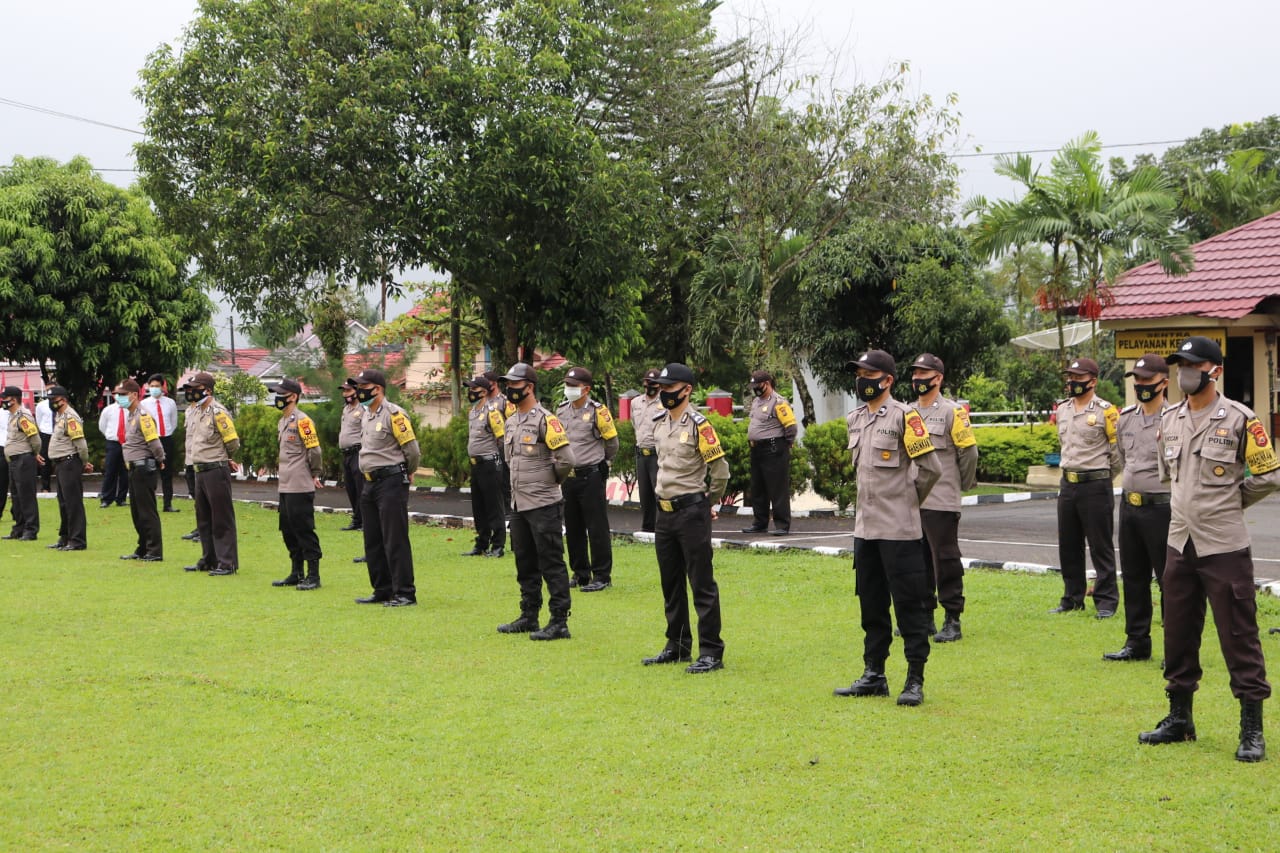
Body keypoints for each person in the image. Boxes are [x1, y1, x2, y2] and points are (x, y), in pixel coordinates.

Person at [1139, 336, 1280, 762]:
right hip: (1179, 542)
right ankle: (1180, 717)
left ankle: (1251, 728)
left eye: (1192, 365)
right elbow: (1170, 477)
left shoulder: (1240, 418)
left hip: (1223, 544)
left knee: (1238, 635)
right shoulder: (1170, 419)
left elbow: (1269, 475)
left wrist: (1230, 502)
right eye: (1180, 365)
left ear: (1213, 371)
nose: (1184, 372)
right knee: (1178, 630)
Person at [835, 350, 941, 706]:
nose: (861, 380)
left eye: (869, 374)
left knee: (909, 607)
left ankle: (914, 679)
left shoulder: (904, 417)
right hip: (866, 532)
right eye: (858, 374)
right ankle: (874, 674)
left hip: (899, 531)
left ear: (887, 380)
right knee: (872, 606)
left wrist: (909, 501)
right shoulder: (854, 419)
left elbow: (931, 469)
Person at [642, 362, 730, 673]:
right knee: (671, 582)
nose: (664, 393)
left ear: (686, 390)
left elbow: (720, 471)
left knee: (701, 582)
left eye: (670, 388)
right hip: (664, 513)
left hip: (692, 511)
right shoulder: (659, 422)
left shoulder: (699, 425)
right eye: (662, 388)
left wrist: (710, 502)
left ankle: (710, 651)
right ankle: (677, 644)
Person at [495, 362, 575, 640]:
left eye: (515, 385)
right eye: (508, 384)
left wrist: (549, 481)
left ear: (529, 387)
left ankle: (558, 621)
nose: (509, 389)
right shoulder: (511, 420)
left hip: (543, 504)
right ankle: (529, 615)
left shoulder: (545, 420)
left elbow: (566, 460)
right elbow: (510, 460)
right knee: (524, 561)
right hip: (519, 504)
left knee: (551, 562)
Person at [1104, 354, 1171, 662]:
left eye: (1148, 381)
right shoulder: (1126, 417)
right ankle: (1137, 642)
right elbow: (1120, 456)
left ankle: (1176, 642)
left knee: (1170, 578)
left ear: (1164, 383)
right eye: (1138, 380)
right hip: (1130, 507)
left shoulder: (1175, 418)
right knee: (1133, 576)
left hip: (1163, 509)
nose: (1142, 386)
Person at [909, 354, 978, 643]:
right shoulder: (908, 411)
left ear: (938, 378)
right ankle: (924, 617)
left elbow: (969, 453)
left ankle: (952, 619)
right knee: (917, 560)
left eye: (924, 373)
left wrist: (959, 485)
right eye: (915, 373)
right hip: (912, 498)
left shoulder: (953, 412)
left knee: (945, 559)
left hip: (940, 498)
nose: (917, 379)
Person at [1051, 357, 1121, 616]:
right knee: (1068, 545)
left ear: (1093, 381)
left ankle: (1106, 602)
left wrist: (1102, 477)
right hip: (1068, 483)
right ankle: (1072, 598)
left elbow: (1118, 452)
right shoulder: (1063, 409)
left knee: (1100, 545)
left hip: (1095, 484)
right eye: (1070, 377)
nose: (1072, 382)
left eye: (1078, 378)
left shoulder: (1106, 411)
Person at [352, 369, 420, 607]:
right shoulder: (366, 415)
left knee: (395, 538)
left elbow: (412, 451)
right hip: (369, 483)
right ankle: (382, 589)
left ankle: (404, 592)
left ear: (377, 389)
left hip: (391, 481)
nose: (359, 391)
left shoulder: (395, 415)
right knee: (373, 539)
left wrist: (406, 471)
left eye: (363, 387)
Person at [557, 366, 618, 591]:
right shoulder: (561, 410)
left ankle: (602, 576)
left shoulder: (597, 411)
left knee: (596, 527)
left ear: (586, 389)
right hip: (569, 477)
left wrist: (604, 463)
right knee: (573, 527)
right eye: (568, 385)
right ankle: (580, 573)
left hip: (591, 475)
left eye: (574, 386)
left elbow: (612, 443)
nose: (569, 389)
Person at [180, 372, 241, 576]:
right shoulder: (195, 411)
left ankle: (227, 562)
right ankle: (209, 558)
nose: (191, 392)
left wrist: (223, 456)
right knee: (204, 518)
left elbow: (232, 442)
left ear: (207, 390)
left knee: (221, 517)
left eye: (194, 388)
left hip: (215, 469)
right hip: (200, 469)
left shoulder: (218, 412)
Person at [268, 379, 324, 590]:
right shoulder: (283, 421)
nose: (278, 397)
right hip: (285, 485)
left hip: (300, 485)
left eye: (281, 394)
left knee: (304, 529)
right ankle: (296, 571)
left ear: (293, 396)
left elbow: (315, 451)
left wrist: (315, 473)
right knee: (288, 530)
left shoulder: (303, 421)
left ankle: (313, 575)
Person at [742, 370, 797, 536]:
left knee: (777, 488)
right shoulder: (756, 402)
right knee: (758, 488)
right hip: (757, 449)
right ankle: (760, 522)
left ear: (767, 383)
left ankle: (782, 525)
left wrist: (786, 444)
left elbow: (791, 427)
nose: (755, 389)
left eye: (757, 385)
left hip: (774, 448)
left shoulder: (779, 402)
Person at [116, 379, 165, 561]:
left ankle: (154, 550)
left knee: (147, 511)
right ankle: (143, 547)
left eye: (122, 394)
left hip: (143, 467)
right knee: (137, 512)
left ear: (134, 395)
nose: (119, 398)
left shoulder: (143, 416)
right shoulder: (132, 415)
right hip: (134, 468)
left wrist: (160, 459)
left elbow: (154, 442)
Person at [462, 374, 508, 558]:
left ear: (483, 391)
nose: (470, 392)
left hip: (490, 464)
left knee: (494, 506)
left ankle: (498, 546)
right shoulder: (472, 412)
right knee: (479, 506)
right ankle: (481, 543)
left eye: (473, 389)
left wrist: (499, 459)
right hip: (476, 465)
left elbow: (503, 438)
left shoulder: (492, 412)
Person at [43, 385, 92, 551]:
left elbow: (81, 444)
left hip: (70, 463)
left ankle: (77, 540)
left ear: (62, 399)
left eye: (53, 400)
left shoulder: (70, 417)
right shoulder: (60, 416)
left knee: (73, 503)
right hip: (62, 464)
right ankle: (65, 537)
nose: (51, 403)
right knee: (64, 502)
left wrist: (84, 462)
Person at [1, 386, 41, 540]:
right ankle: (19, 528)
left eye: (5, 398)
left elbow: (35, 438)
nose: (3, 401)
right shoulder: (12, 415)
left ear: (14, 399)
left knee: (26, 495)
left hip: (23, 459)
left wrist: (34, 453)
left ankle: (31, 529)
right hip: (14, 460)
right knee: (16, 496)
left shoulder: (23, 416)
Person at [141, 374, 181, 512]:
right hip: (151, 440)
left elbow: (173, 422)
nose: (154, 389)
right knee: (150, 472)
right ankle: (149, 504)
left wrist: (166, 434)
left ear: (162, 386)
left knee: (167, 473)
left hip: (166, 439)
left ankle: (167, 504)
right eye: (152, 386)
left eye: (157, 386)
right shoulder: (144, 404)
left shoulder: (170, 403)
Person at [632, 368, 663, 533]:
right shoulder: (636, 402)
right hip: (641, 453)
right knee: (644, 495)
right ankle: (647, 528)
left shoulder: (664, 402)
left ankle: (661, 528)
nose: (648, 386)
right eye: (646, 382)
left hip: (657, 453)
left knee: (659, 492)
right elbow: (634, 424)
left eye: (652, 383)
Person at [337, 378, 365, 533]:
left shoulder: (363, 409)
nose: (345, 393)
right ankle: (356, 519)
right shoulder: (346, 409)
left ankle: (365, 521)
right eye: (344, 390)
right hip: (346, 454)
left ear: (356, 391)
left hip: (358, 453)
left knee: (361, 488)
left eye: (348, 390)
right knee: (351, 488)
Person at [97, 396, 130, 508]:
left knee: (125, 472)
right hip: (113, 442)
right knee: (110, 471)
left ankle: (121, 498)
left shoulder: (130, 409)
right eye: (119, 394)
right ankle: (106, 498)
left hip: (127, 443)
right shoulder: (108, 410)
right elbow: (102, 426)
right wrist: (110, 435)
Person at [35, 393, 53, 492]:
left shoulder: (62, 404)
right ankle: (45, 487)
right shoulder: (42, 405)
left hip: (59, 433)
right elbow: (38, 419)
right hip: (46, 433)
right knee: (44, 460)